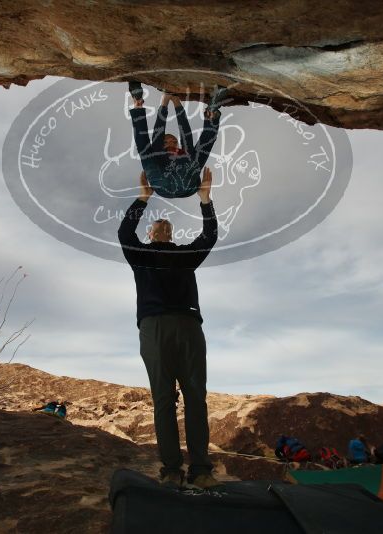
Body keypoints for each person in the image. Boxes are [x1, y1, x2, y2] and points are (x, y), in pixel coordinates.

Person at [117, 167, 221, 491]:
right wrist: (142, 199)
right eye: (155, 226)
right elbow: (124, 234)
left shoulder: (184, 256)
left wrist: (206, 200)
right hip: (156, 327)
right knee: (163, 398)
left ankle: (201, 469)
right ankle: (172, 469)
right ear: (151, 235)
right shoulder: (141, 255)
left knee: (195, 398)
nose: (159, 228)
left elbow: (209, 237)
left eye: (164, 226)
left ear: (170, 234)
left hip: (187, 325)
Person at [128, 82, 228, 199]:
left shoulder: (170, 153)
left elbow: (159, 138)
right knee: (195, 148)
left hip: (162, 185)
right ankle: (212, 110)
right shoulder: (182, 154)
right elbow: (185, 134)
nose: (171, 143)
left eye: (174, 142)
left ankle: (138, 101)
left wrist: (166, 102)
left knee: (145, 149)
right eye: (166, 142)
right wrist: (175, 102)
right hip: (186, 185)